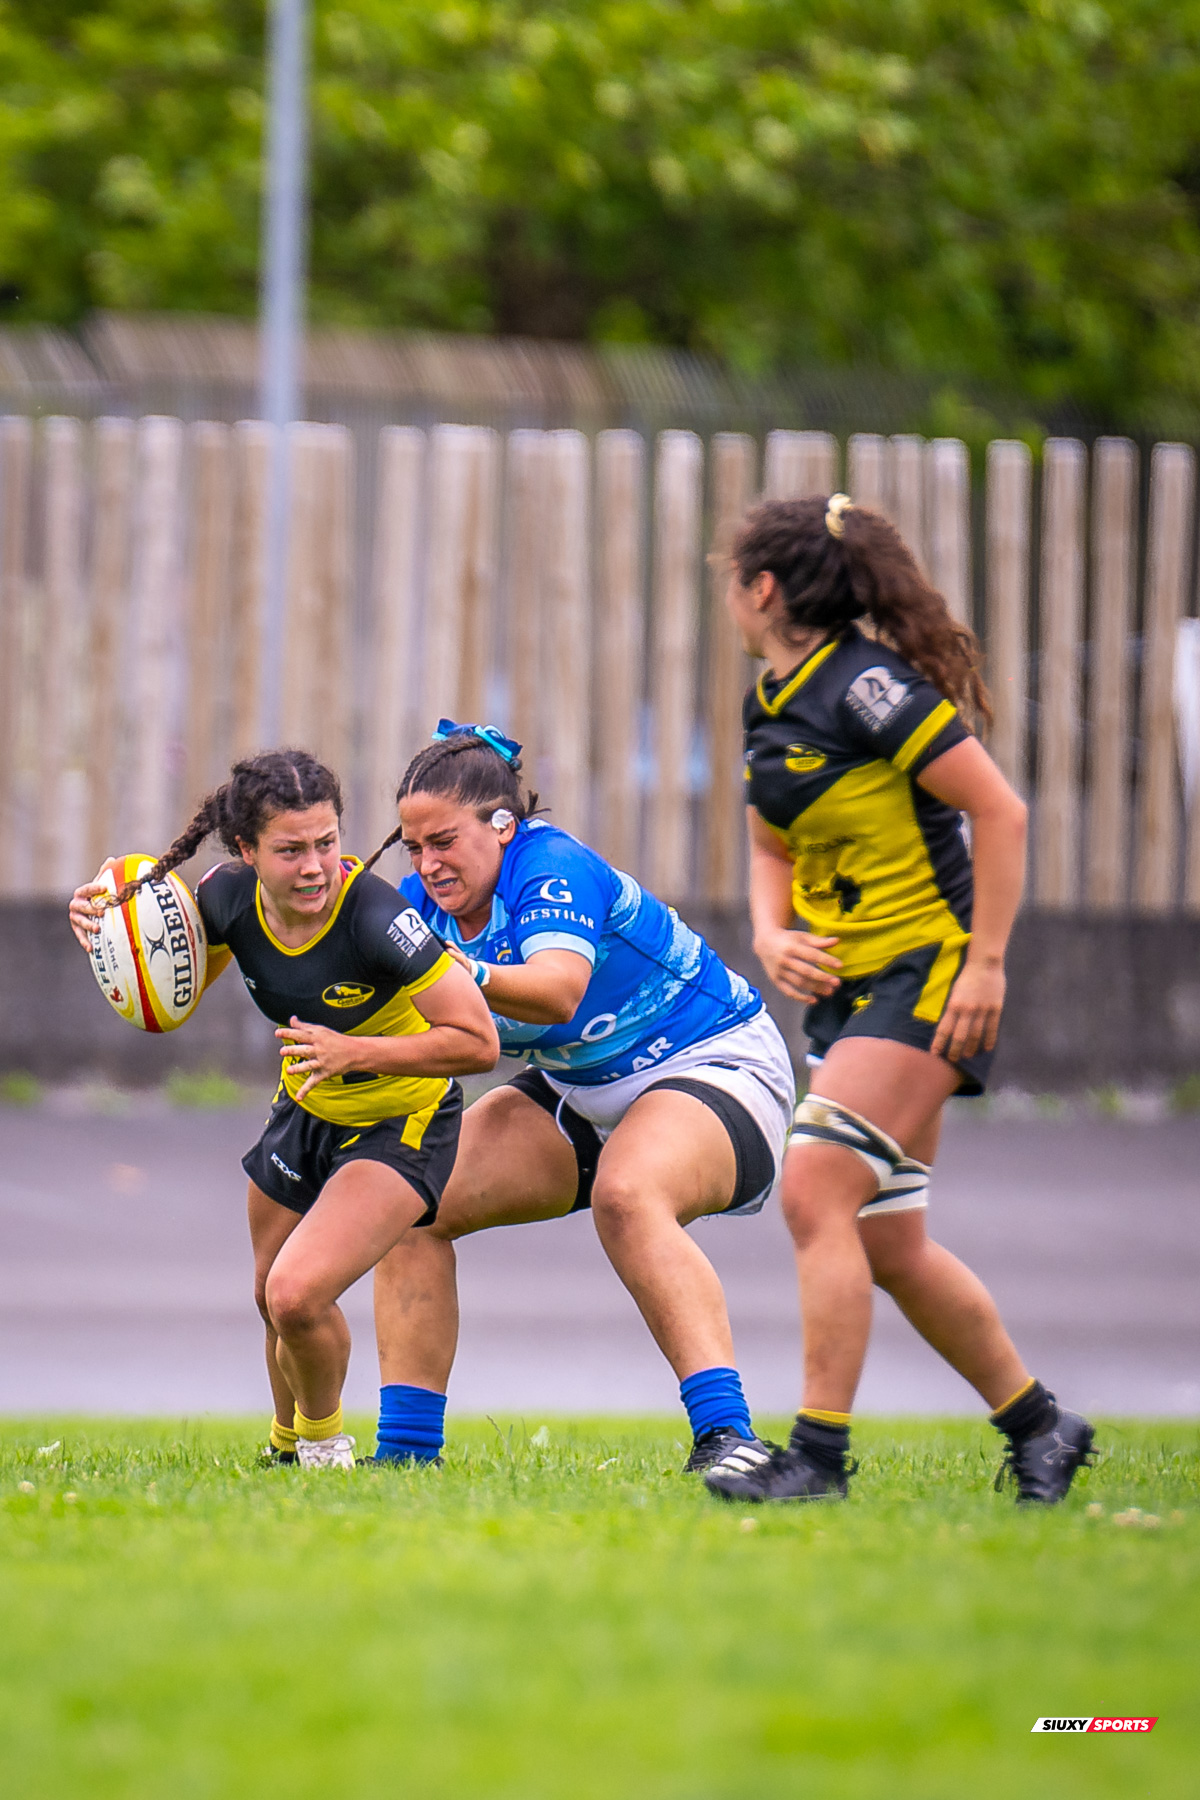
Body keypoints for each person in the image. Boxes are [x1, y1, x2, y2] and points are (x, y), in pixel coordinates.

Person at [703, 494, 1096, 1506]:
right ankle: (1044, 1427)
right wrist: (771, 929)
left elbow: (999, 810)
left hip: (930, 977)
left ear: (764, 590)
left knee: (815, 1191)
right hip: (855, 995)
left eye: (730, 579)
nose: (727, 598)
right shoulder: (771, 699)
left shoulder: (867, 688)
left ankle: (817, 1461)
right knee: (888, 1240)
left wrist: (989, 964)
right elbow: (766, 843)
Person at [364, 721, 796, 1471]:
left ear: (504, 826)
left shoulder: (551, 863)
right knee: (406, 1203)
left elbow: (560, 991)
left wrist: (456, 972)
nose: (428, 864)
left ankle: (729, 1438)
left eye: (445, 841)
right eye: (415, 847)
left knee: (627, 1195)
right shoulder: (421, 909)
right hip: (586, 1090)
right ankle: (404, 1460)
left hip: (720, 1063)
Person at [68, 749, 498, 1470]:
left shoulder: (375, 918)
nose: (315, 868)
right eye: (291, 850)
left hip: (401, 1118)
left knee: (298, 1294)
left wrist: (354, 1052)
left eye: (327, 843)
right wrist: (108, 926)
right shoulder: (229, 898)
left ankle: (325, 1448)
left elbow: (477, 1040)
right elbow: (168, 989)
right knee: (271, 1296)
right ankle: (285, 1445)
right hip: (305, 1104)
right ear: (247, 851)